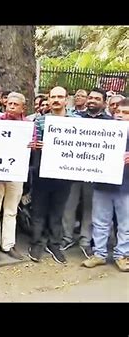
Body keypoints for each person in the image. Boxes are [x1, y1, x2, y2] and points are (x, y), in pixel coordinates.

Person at [61, 88, 112, 259]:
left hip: (95, 174)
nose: (92, 100)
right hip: (74, 171)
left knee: (90, 208)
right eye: (90, 97)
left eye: (97, 98)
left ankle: (85, 240)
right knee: (69, 205)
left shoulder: (111, 123)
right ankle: (66, 237)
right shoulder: (75, 120)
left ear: (104, 103)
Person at [28, 86, 75, 265]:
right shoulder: (40, 120)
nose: (56, 100)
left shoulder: (76, 121)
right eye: (53, 96)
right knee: (39, 209)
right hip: (42, 171)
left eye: (60, 96)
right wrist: (35, 145)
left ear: (66, 99)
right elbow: (34, 141)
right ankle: (36, 243)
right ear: (48, 99)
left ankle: (54, 244)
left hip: (65, 172)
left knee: (58, 210)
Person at [82, 97, 129, 272]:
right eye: (118, 112)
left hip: (126, 186)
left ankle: (122, 255)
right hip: (102, 184)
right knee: (100, 221)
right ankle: (99, 254)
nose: (120, 116)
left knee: (126, 223)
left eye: (125, 113)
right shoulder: (103, 130)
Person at [0, 92, 28, 262]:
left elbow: (31, 147)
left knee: (11, 210)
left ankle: (8, 244)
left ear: (22, 108)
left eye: (15, 105)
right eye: (9, 104)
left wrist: (32, 145)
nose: (11, 107)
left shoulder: (27, 125)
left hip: (16, 173)